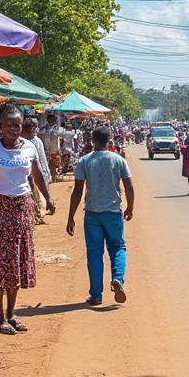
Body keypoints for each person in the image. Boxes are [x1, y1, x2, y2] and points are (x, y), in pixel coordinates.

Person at [0, 105, 55, 335]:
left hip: (22, 207)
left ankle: (13, 313)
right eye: (9, 125)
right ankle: (0, 317)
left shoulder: (30, 147)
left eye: (18, 125)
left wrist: (48, 198)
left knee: (17, 259)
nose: (14, 129)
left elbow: (37, 174)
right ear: (1, 127)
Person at [67, 126, 135, 306]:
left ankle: (96, 295)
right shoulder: (119, 160)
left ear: (93, 141)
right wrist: (130, 208)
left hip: (92, 214)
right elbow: (129, 186)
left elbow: (77, 191)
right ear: (109, 140)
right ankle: (118, 279)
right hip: (113, 213)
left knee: (95, 254)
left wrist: (70, 217)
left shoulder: (84, 161)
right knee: (118, 247)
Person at [22, 117, 53, 223]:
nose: (36, 128)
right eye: (34, 126)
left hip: (37, 173)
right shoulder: (20, 141)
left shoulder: (37, 141)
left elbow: (42, 158)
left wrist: (46, 172)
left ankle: (38, 215)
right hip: (26, 174)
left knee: (37, 195)